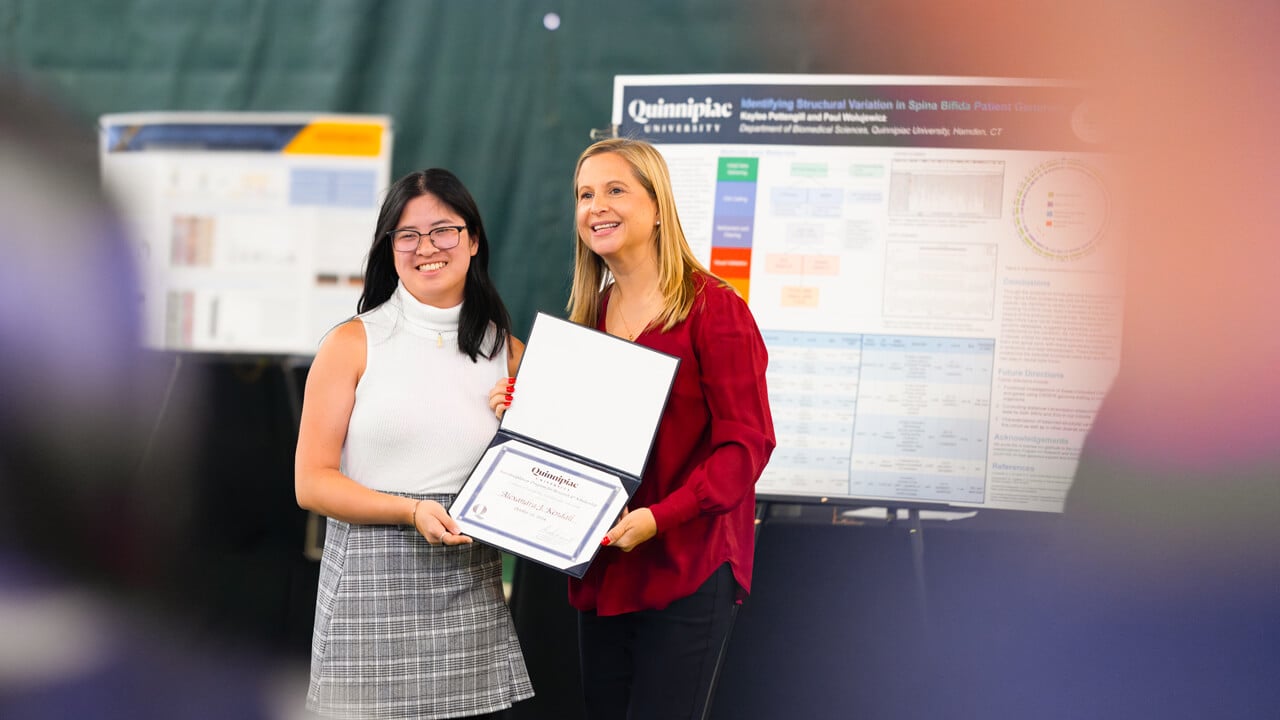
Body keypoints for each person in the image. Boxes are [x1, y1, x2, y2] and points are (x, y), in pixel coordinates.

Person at [495, 137, 775, 720]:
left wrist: (658, 518)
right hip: (607, 566)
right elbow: (576, 434)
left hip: (687, 565)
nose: (596, 206)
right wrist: (520, 411)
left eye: (615, 190)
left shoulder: (713, 310)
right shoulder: (589, 315)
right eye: (585, 194)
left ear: (657, 205)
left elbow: (746, 445)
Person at [294, 168, 533, 719]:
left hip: (469, 586)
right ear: (390, 248)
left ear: (473, 241)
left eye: (443, 230)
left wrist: (525, 429)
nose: (426, 248)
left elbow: (540, 477)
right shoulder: (352, 344)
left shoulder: (509, 354)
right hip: (367, 588)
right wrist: (411, 511)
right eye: (407, 235)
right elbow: (312, 483)